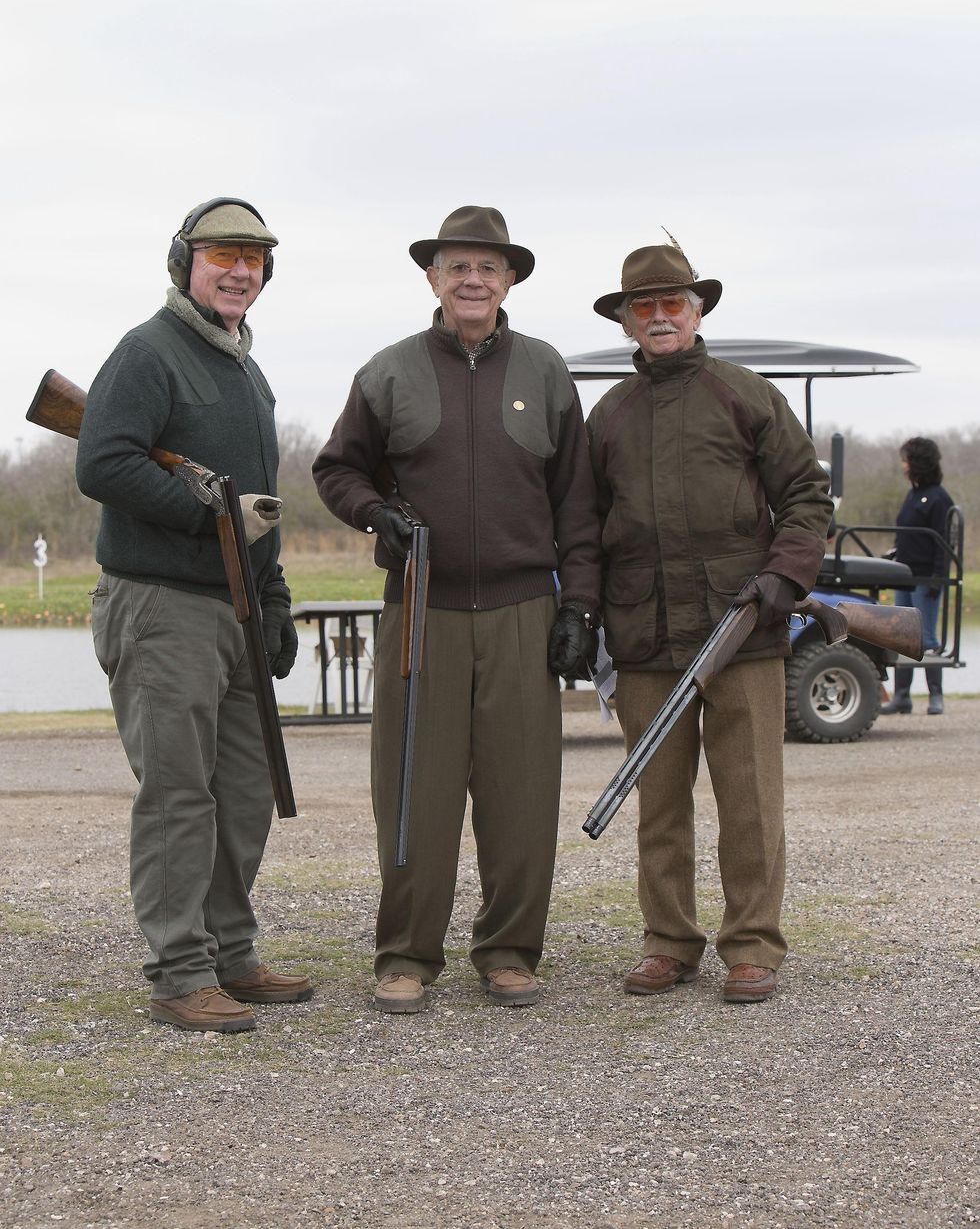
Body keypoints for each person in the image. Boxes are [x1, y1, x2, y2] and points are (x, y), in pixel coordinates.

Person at [313, 205, 601, 1014]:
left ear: (510, 280)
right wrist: (377, 515)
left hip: (522, 609)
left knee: (521, 793)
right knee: (414, 790)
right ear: (432, 278)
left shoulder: (545, 371)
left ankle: (509, 950)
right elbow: (337, 469)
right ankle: (405, 954)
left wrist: (578, 603)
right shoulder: (389, 371)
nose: (473, 280)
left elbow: (577, 503)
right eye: (457, 266)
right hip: (421, 609)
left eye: (488, 267)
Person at [75, 197, 312, 1033]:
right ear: (185, 263)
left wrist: (275, 596)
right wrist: (206, 519)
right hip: (162, 604)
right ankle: (179, 972)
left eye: (252, 257)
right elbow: (101, 461)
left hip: (236, 609)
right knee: (179, 795)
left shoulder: (245, 367)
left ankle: (229, 952)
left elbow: (260, 506)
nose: (239, 270)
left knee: (244, 791)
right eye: (222, 255)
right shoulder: (149, 351)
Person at [586, 236, 833, 1004]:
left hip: (743, 631)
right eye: (644, 307)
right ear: (627, 322)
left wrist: (780, 580)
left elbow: (806, 501)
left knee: (750, 800)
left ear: (696, 312)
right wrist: (582, 614)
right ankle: (669, 943)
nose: (659, 317)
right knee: (658, 803)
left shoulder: (748, 395)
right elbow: (585, 527)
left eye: (672, 304)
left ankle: (752, 946)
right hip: (644, 635)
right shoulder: (608, 415)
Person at [881, 436, 954, 717]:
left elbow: (944, 543)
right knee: (902, 636)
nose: (903, 466)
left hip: (926, 578)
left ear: (917, 463)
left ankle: (936, 696)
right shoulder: (913, 494)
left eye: (906, 460)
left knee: (925, 637)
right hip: (905, 575)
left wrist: (938, 577)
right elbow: (909, 534)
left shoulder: (939, 497)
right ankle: (902, 697)